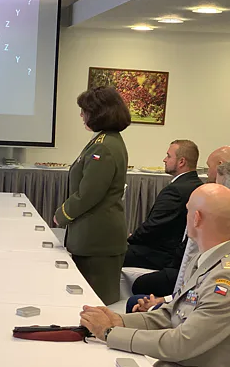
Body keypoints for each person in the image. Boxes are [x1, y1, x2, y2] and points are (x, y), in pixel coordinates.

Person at [80, 184, 230, 367]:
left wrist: (109, 333)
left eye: (188, 211)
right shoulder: (204, 259)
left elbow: (183, 343)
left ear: (196, 218)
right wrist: (119, 320)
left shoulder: (223, 277)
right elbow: (172, 314)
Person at [54, 86, 131, 305]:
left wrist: (62, 215)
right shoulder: (105, 140)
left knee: (96, 304)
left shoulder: (104, 146)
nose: (81, 115)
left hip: (98, 240)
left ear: (98, 113)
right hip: (95, 236)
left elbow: (89, 194)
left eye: (85, 110)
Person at [124, 141, 202, 292]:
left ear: (181, 161)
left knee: (112, 254)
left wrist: (130, 238)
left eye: (168, 156)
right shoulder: (196, 185)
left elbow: (154, 226)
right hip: (173, 252)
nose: (164, 159)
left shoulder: (176, 190)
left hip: (161, 254)